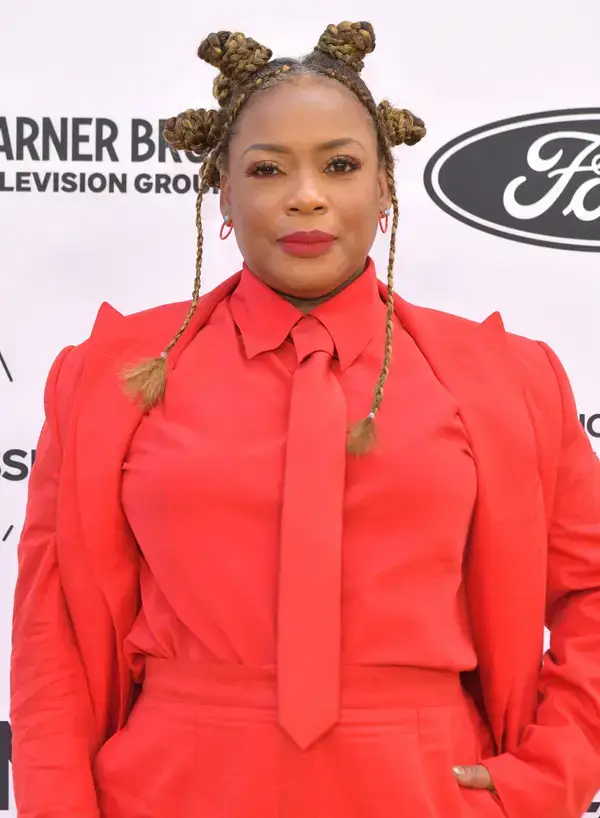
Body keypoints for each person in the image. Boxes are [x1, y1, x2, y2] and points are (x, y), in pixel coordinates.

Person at [9, 19, 600, 818]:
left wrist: (547, 775)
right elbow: (52, 638)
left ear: (385, 189)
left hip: (426, 788)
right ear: (223, 192)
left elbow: (592, 592)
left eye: (341, 165)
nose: (307, 194)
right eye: (267, 168)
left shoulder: (511, 381)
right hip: (170, 788)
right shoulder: (105, 380)